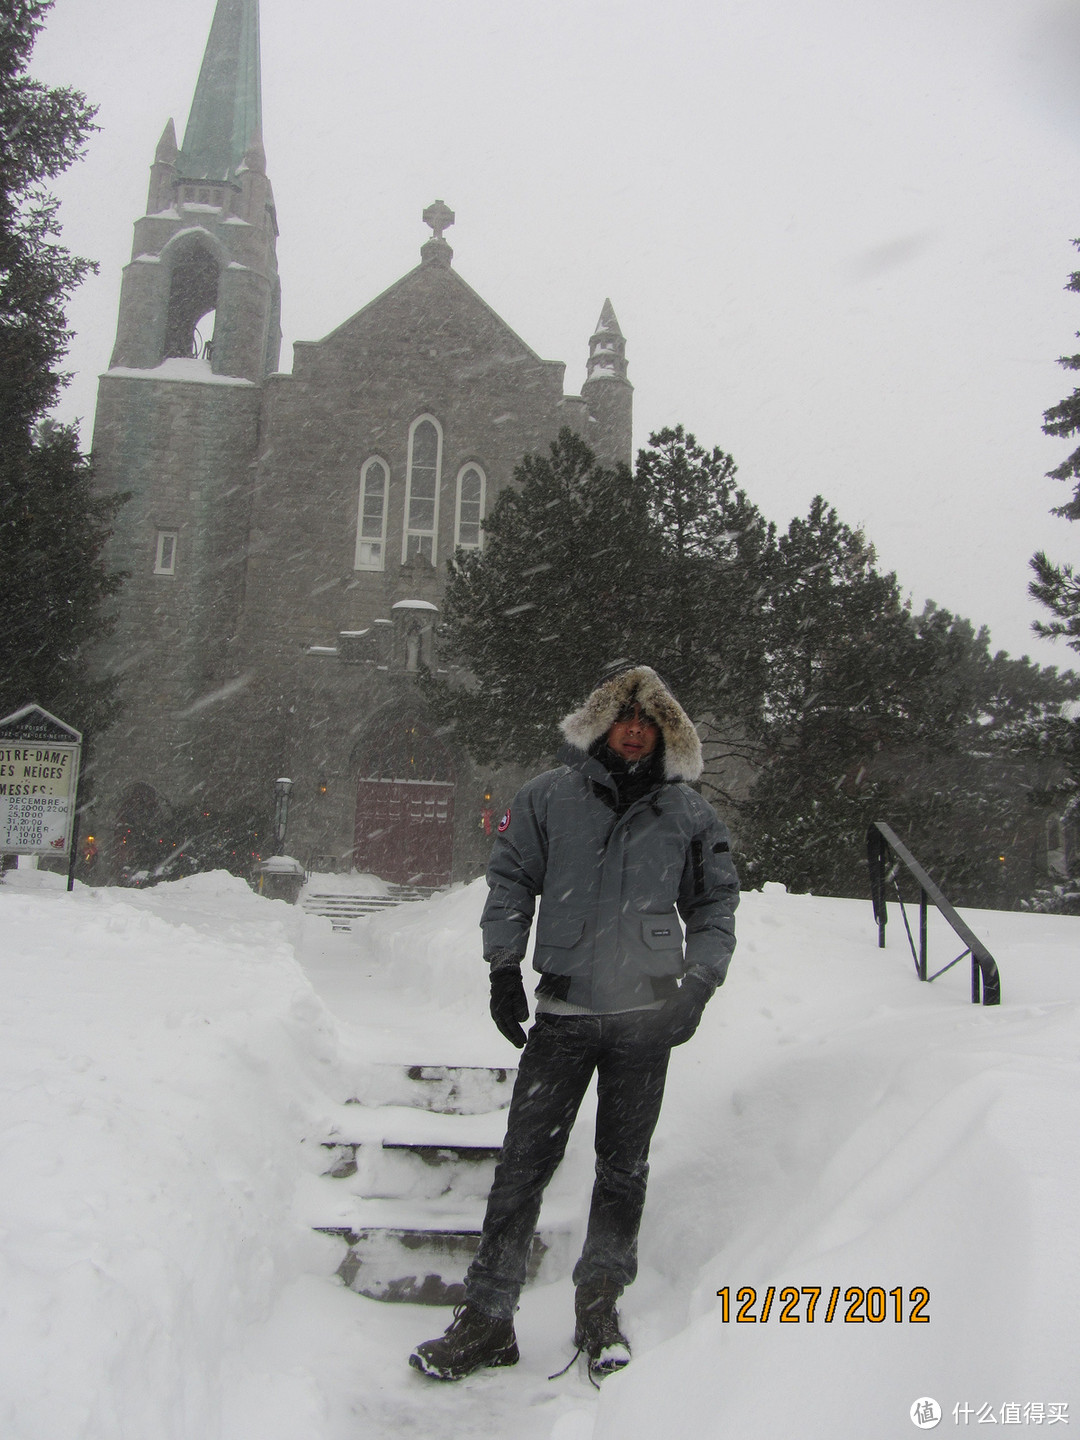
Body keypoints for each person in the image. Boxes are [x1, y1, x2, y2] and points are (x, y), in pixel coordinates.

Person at [409, 663, 739, 1384]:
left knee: (623, 1171)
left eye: (647, 721)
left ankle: (600, 1309)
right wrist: (503, 968)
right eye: (622, 717)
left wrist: (699, 985)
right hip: (561, 1016)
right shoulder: (546, 799)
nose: (632, 730)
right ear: (599, 722)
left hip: (645, 1022)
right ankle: (489, 1318)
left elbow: (715, 907)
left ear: (663, 732)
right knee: (522, 1166)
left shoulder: (688, 815)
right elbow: (510, 882)